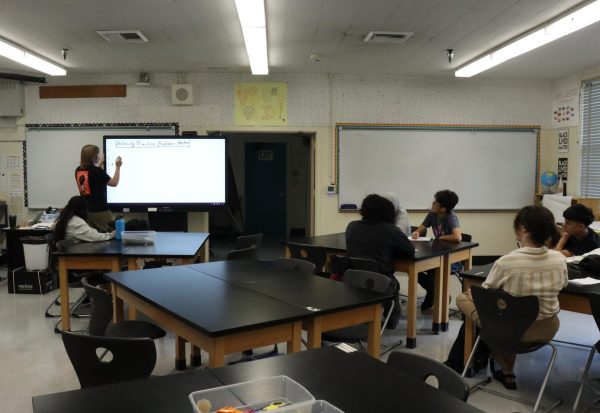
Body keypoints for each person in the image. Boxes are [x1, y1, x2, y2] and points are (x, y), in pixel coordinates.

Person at [447, 205, 567, 390]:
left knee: (465, 299)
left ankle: (473, 362)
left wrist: (478, 295)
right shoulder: (559, 259)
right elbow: (563, 284)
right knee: (509, 313)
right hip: (547, 330)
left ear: (524, 229)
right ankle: (506, 371)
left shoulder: (507, 261)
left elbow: (485, 294)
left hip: (512, 332)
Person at [345, 194, 415, 328]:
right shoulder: (391, 230)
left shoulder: (352, 226)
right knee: (393, 284)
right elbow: (409, 251)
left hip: (352, 279)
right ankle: (391, 320)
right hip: (379, 281)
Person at [411, 189, 462, 309]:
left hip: (450, 259)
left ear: (443, 209)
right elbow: (422, 227)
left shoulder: (451, 217)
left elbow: (458, 237)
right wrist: (417, 232)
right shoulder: (432, 214)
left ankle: (435, 295)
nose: (432, 204)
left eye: (436, 203)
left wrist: (441, 237)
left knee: (431, 272)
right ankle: (435, 293)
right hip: (436, 254)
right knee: (415, 269)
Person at [75, 144, 122, 232]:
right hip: (101, 211)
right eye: (98, 154)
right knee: (109, 235)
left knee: (93, 237)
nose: (99, 156)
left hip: (87, 211)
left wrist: (99, 164)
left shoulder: (78, 170)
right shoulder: (97, 172)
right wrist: (118, 166)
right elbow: (114, 183)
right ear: (93, 157)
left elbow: (93, 177)